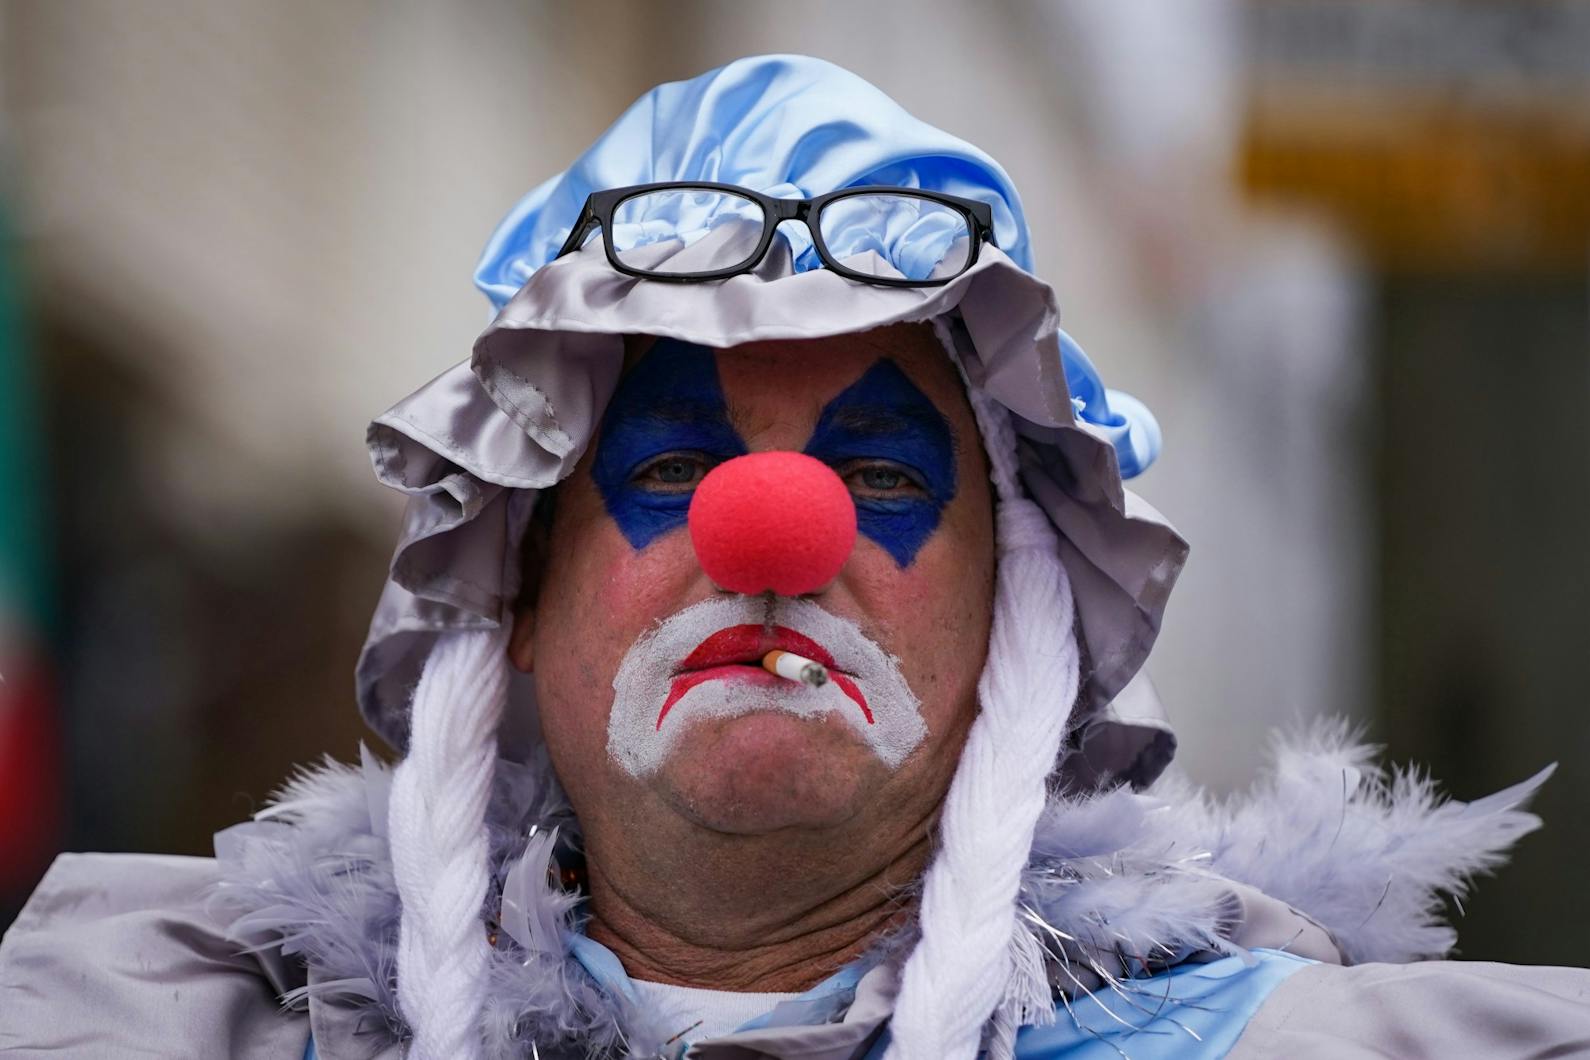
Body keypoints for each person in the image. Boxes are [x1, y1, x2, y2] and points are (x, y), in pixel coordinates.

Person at [2, 54, 1586, 1060]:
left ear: (1012, 623)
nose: (777, 530)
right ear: (520, 603)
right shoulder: (144, 1025)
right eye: (676, 463)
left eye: (883, 471)